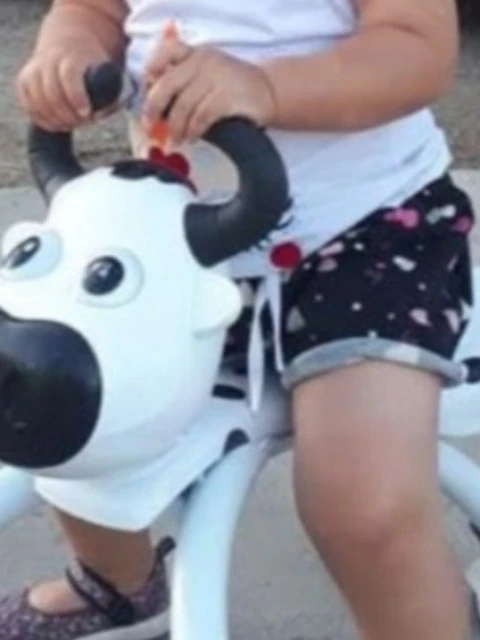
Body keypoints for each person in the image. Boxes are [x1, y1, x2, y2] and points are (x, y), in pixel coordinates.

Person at [5, 0, 477, 638]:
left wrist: (269, 89)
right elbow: (90, 10)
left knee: (361, 501)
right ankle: (116, 581)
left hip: (366, 240)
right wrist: (68, 56)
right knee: (56, 393)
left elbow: (416, 47)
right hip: (179, 239)